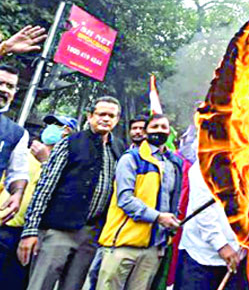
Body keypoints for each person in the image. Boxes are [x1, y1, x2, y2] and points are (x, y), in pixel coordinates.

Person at [18, 96, 124, 290]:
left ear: (117, 120)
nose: (106, 119)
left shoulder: (118, 148)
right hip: (58, 230)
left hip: (90, 234)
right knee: (40, 285)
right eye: (101, 114)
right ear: (90, 116)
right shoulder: (70, 142)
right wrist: (30, 231)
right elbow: (45, 186)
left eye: (111, 116)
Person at [96, 114, 182, 290]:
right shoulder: (131, 159)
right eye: (155, 127)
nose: (159, 131)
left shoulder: (174, 164)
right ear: (146, 131)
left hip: (153, 247)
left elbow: (174, 202)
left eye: (164, 127)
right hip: (124, 244)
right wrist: (158, 217)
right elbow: (125, 200)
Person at [0, 115, 76, 289]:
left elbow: (60, 194)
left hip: (28, 234)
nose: (51, 128)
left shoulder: (68, 164)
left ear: (69, 132)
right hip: (4, 225)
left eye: (58, 125)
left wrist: (46, 162)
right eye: (49, 124)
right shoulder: (23, 153)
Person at [174, 158, 248, 290]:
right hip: (200, 256)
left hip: (236, 257)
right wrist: (221, 245)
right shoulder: (204, 166)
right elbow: (203, 214)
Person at [0, 65, 29, 227]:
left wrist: (17, 193)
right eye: (0, 83)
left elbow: (18, 172)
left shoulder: (17, 133)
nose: (3, 89)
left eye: (9, 86)